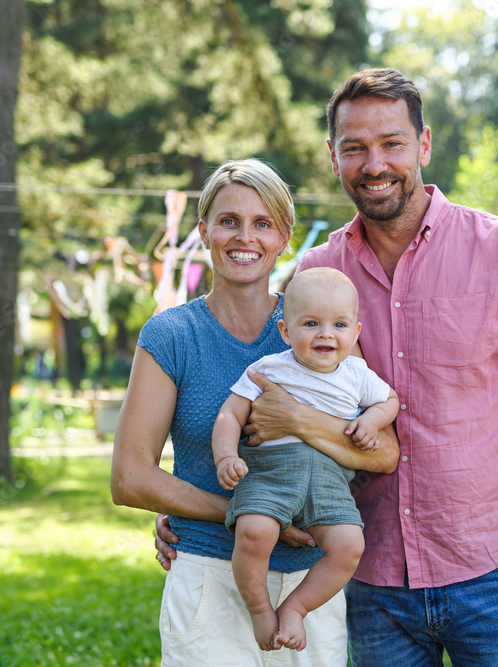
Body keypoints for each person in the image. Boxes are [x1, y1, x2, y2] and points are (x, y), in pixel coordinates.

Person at [158, 68, 498, 665]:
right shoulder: (316, 272)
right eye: (355, 147)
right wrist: (197, 500)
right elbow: (259, 388)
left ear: (424, 146)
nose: (375, 163)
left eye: (392, 143)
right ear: (333, 156)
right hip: (365, 576)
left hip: (495, 572)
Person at [112, 157, 398, 667]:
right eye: (228, 221)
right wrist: (246, 513)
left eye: (262, 223)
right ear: (203, 231)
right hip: (209, 575)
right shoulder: (172, 335)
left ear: (285, 236)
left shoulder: (318, 325)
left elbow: (383, 454)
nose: (245, 237)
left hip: (309, 588)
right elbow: (130, 478)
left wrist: (295, 420)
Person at [212, 267, 399, 652]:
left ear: (356, 333)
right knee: (254, 531)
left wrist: (371, 419)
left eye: (339, 324)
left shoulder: (357, 374)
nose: (326, 334)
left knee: (349, 546)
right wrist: (226, 456)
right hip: (270, 473)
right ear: (285, 331)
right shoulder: (268, 369)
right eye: (311, 323)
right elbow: (230, 414)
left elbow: (390, 401)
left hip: (329, 482)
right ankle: (261, 609)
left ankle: (296, 607)